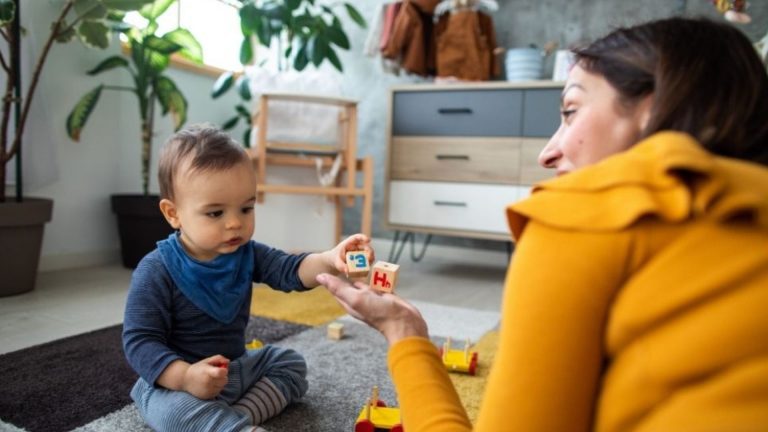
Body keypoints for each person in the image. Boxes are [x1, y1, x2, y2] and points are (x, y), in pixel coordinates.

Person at [318, 17, 768, 431]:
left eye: (570, 111)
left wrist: (403, 335)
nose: (547, 153)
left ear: (652, 108)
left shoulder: (584, 217)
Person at [122, 125, 373, 432]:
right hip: (178, 384)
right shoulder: (156, 270)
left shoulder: (246, 254)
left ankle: (235, 418)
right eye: (215, 213)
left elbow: (290, 270)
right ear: (173, 213)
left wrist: (330, 259)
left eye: (246, 208)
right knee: (174, 415)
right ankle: (228, 424)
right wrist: (186, 377)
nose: (234, 223)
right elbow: (139, 342)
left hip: (235, 368)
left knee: (290, 364)